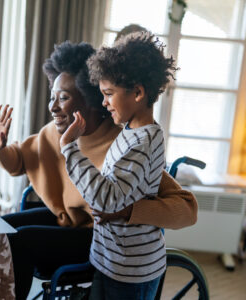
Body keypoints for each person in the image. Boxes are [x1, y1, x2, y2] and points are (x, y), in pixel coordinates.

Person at [0, 41, 197, 300]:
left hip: (95, 234)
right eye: (53, 97)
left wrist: (131, 210)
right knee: (2, 229)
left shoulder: (121, 143)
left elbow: (186, 209)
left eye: (63, 98)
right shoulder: (54, 133)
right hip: (66, 221)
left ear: (92, 100)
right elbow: (19, 161)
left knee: (21, 241)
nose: (52, 107)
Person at [60, 32, 177, 300]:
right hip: (110, 260)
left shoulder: (144, 141)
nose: (103, 102)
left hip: (130, 270)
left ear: (137, 93)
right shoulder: (130, 132)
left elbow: (107, 199)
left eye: (109, 94)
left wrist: (69, 148)